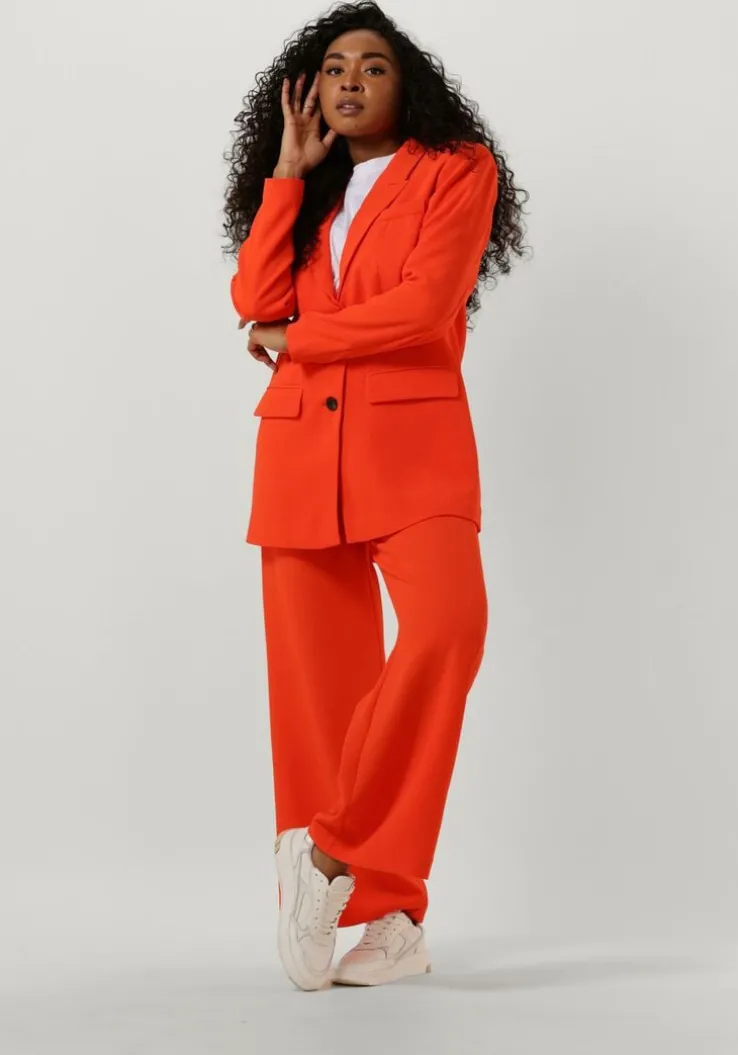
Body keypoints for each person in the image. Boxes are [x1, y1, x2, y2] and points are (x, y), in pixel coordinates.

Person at [222, 0, 528, 991]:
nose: (350, 79)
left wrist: (298, 338)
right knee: (323, 695)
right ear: (311, 91)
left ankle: (328, 853)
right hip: (301, 450)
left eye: (374, 66)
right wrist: (287, 173)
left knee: (447, 629)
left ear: (410, 85)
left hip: (414, 450)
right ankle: (387, 919)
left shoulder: (457, 169)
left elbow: (424, 308)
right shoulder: (309, 190)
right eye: (334, 67)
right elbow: (254, 299)